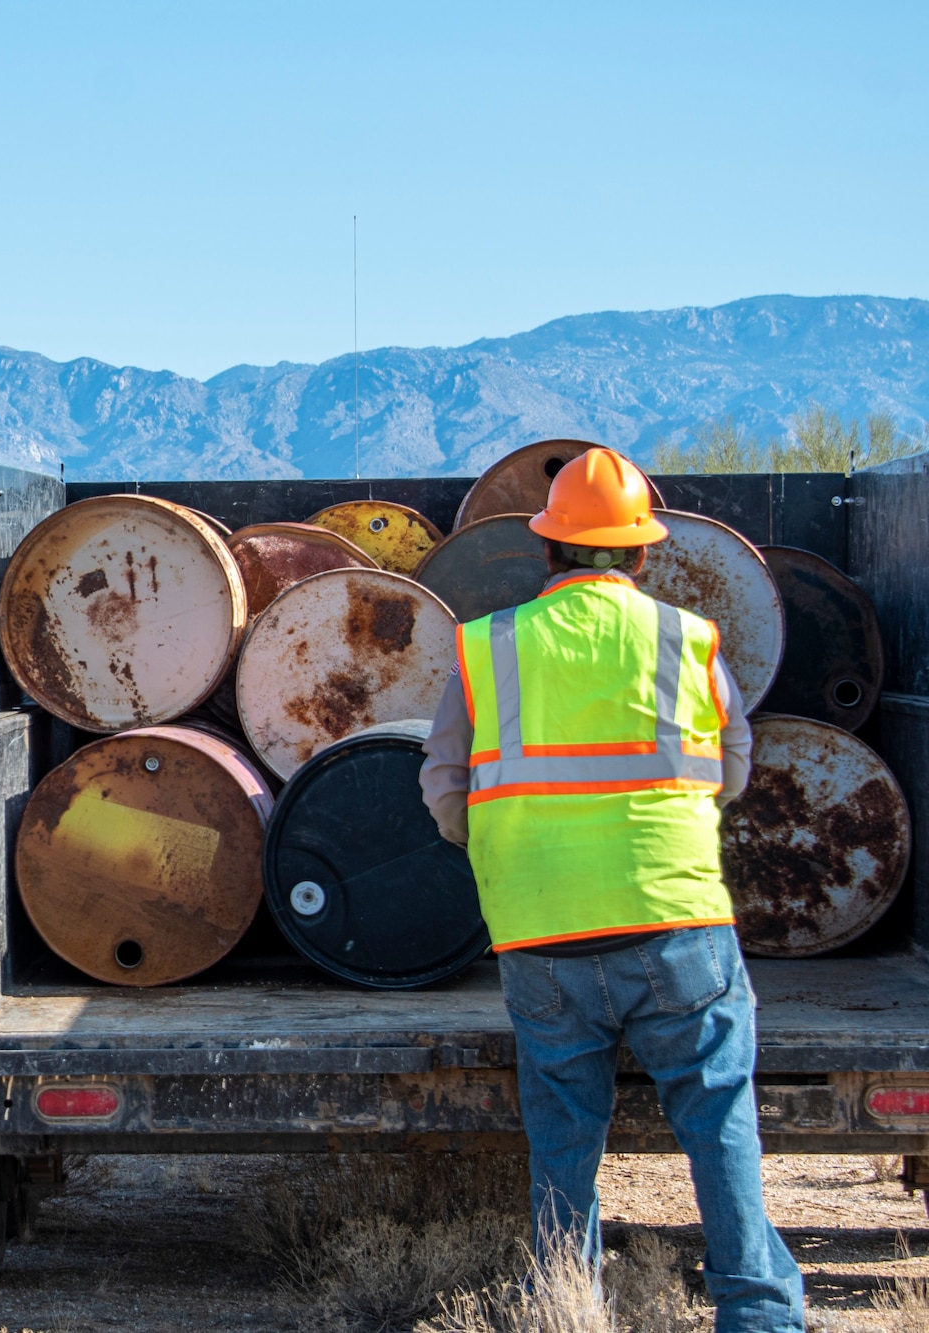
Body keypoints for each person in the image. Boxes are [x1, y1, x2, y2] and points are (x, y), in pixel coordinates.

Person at [418, 449, 804, 1333]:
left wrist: (514, 844)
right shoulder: (689, 640)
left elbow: (445, 790)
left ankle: (567, 1303)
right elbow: (731, 770)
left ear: (546, 551)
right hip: (678, 926)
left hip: (542, 934)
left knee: (563, 1144)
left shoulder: (490, 647)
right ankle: (758, 1312)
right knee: (718, 1126)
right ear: (640, 555)